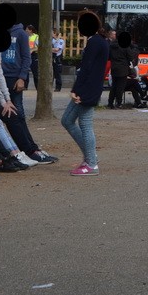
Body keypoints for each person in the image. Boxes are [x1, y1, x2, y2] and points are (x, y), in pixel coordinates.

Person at [0, 13, 57, 164]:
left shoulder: (20, 33)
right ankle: (29, 149)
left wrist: (22, 77)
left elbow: (27, 57)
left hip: (14, 79)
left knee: (18, 114)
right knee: (13, 116)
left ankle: (31, 148)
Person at [63, 10, 109, 176]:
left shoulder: (95, 42)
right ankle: (91, 157)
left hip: (87, 90)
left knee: (85, 124)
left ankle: (91, 163)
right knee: (67, 120)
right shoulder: (99, 41)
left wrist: (77, 90)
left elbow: (87, 69)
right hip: (89, 88)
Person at [26, 24, 39, 89]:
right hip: (26, 55)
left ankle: (37, 86)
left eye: (27, 29)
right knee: (25, 71)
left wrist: (32, 50)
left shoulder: (36, 37)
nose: (26, 30)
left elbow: (39, 47)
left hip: (34, 55)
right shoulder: (25, 36)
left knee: (35, 72)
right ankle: (25, 86)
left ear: (30, 30)